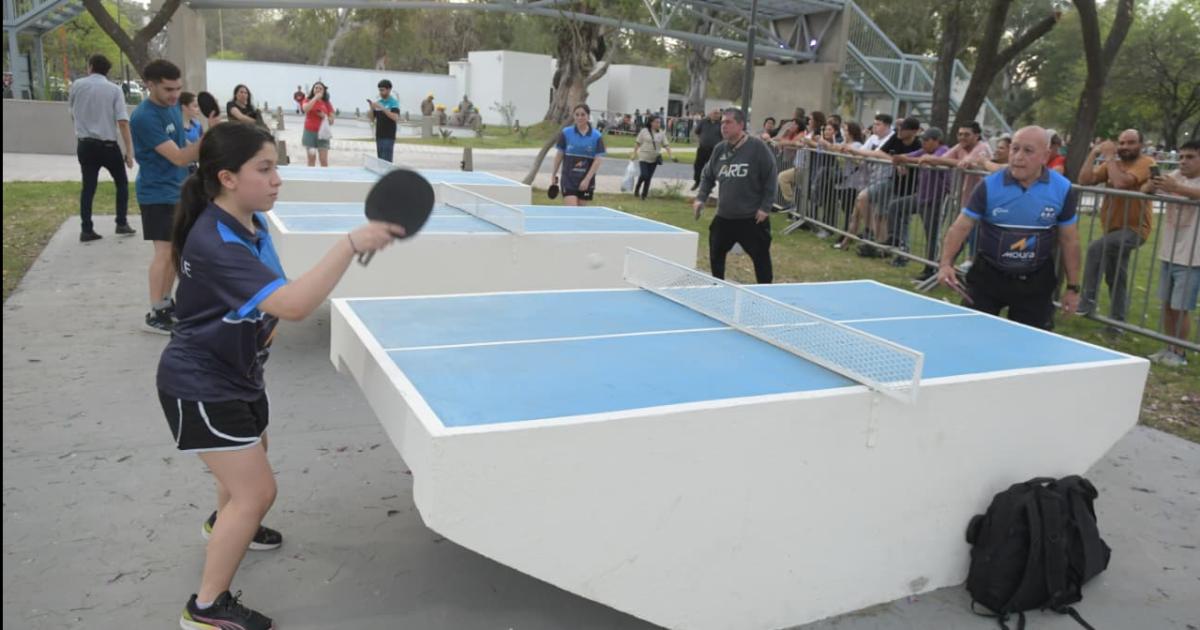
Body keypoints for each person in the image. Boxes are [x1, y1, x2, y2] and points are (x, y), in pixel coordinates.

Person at [158, 122, 402, 630]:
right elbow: (292, 305)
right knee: (256, 492)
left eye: (276, 168)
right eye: (264, 169)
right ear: (227, 177)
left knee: (250, 461)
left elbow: (272, 295)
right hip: (200, 384)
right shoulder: (217, 242)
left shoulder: (250, 222)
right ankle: (205, 608)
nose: (276, 180)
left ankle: (222, 525)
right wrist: (349, 244)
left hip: (238, 372)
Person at [937, 126, 1082, 329]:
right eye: (1015, 149)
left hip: (1036, 281)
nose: (1018, 157)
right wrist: (945, 264)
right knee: (971, 338)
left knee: (1031, 347)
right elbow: (961, 227)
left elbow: (1070, 240)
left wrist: (1073, 287)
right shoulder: (989, 185)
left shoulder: (1062, 188)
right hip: (988, 277)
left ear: (1045, 156)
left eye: (1028, 151)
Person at [130, 59, 218, 335]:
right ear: (150, 84)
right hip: (156, 192)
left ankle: (167, 304)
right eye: (168, 89)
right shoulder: (144, 117)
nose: (174, 95)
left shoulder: (171, 109)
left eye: (178, 88)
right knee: (165, 253)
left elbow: (184, 147)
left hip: (177, 189)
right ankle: (155, 312)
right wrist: (211, 135)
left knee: (176, 252)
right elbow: (180, 157)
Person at [1077, 129, 1157, 323]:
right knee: (1116, 277)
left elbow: (1121, 183)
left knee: (1096, 248)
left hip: (1134, 230)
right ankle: (1117, 323)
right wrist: (1093, 154)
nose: (1125, 147)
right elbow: (1085, 181)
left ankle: (1087, 302)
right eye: (1121, 143)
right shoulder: (1113, 163)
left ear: (1141, 145)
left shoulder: (1146, 163)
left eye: (1130, 143)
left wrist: (1110, 157)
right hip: (1112, 229)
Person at [693, 108, 778, 284]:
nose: (723, 126)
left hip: (751, 218)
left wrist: (765, 207)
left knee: (761, 258)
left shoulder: (757, 147)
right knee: (716, 252)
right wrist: (701, 198)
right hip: (725, 216)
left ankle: (766, 293)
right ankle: (718, 286)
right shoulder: (720, 149)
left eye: (728, 122)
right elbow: (708, 175)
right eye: (722, 122)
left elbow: (771, 177)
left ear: (740, 125)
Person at [69, 53, 137, 242]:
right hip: (108, 145)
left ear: (90, 66)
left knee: (88, 186)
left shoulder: (77, 86)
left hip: (85, 144)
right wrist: (129, 151)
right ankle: (121, 222)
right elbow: (123, 121)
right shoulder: (114, 90)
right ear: (107, 70)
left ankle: (86, 228)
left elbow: (72, 112)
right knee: (121, 183)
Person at [1146, 140, 1200, 366]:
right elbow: (1145, 192)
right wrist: (1153, 182)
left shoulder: (1182, 182)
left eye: (1190, 157)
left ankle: (1180, 352)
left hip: (1192, 256)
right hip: (1169, 252)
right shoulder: (1175, 175)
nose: (1183, 162)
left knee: (1181, 307)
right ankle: (1169, 347)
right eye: (1181, 157)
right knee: (1167, 304)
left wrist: (1175, 188)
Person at [551, 103, 605, 206]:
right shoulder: (566, 133)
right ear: (573, 116)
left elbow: (598, 160)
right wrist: (553, 174)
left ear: (588, 116)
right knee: (572, 211)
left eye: (583, 114)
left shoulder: (596, 136)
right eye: (577, 114)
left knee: (581, 213)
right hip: (568, 180)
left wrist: (586, 180)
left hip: (587, 181)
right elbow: (559, 154)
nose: (580, 117)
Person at [632, 115, 674, 200]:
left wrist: (671, 155)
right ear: (651, 123)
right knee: (644, 175)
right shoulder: (644, 131)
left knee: (648, 177)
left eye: (659, 122)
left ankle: (644, 195)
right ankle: (637, 187)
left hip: (654, 159)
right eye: (656, 122)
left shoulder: (661, 133)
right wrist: (634, 153)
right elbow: (637, 143)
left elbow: (666, 145)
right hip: (643, 157)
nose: (658, 124)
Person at [301, 82, 334, 168]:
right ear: (313, 90)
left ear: (324, 91)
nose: (318, 90)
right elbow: (305, 109)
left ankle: (325, 179)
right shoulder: (307, 100)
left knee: (323, 160)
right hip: (309, 134)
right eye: (316, 88)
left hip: (323, 135)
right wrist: (315, 98)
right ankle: (311, 179)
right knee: (311, 159)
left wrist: (324, 116)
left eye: (320, 88)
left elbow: (331, 121)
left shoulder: (327, 103)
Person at [368, 79, 400, 162]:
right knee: (380, 161)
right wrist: (371, 108)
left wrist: (382, 108)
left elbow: (395, 117)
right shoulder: (379, 102)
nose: (381, 92)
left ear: (389, 90)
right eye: (379, 90)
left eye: (383, 90)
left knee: (386, 162)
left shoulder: (394, 102)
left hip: (389, 136)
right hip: (379, 136)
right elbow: (372, 119)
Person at [692, 108, 723, 191]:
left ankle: (709, 185)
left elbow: (724, 137)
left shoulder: (721, 125)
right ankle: (697, 181)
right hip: (702, 148)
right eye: (714, 113)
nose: (716, 115)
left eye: (717, 114)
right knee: (697, 165)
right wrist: (700, 141)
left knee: (711, 168)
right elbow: (696, 132)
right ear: (710, 114)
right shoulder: (703, 122)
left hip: (714, 150)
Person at [179, 92, 203, 173]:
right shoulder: (175, 128)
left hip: (194, 168)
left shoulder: (198, 125)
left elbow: (202, 146)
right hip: (180, 169)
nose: (198, 109)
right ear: (184, 107)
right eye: (195, 106)